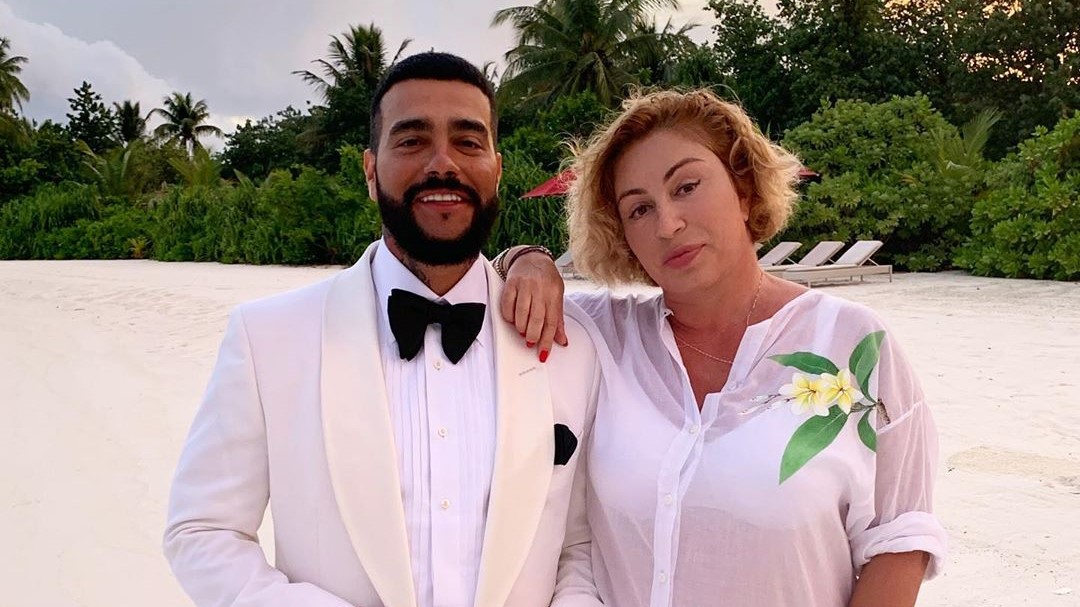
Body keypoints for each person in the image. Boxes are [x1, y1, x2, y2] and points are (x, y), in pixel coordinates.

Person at [164, 52, 601, 607]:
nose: (443, 163)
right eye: (412, 140)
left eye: (468, 142)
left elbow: (579, 546)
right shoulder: (267, 337)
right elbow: (203, 530)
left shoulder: (571, 345)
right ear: (370, 172)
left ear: (496, 168)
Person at [500, 89, 946, 607]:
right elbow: (478, 285)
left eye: (686, 187)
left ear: (744, 190)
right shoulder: (601, 337)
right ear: (623, 237)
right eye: (639, 209)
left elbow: (899, 539)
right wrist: (528, 259)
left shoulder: (854, 345)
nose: (668, 224)